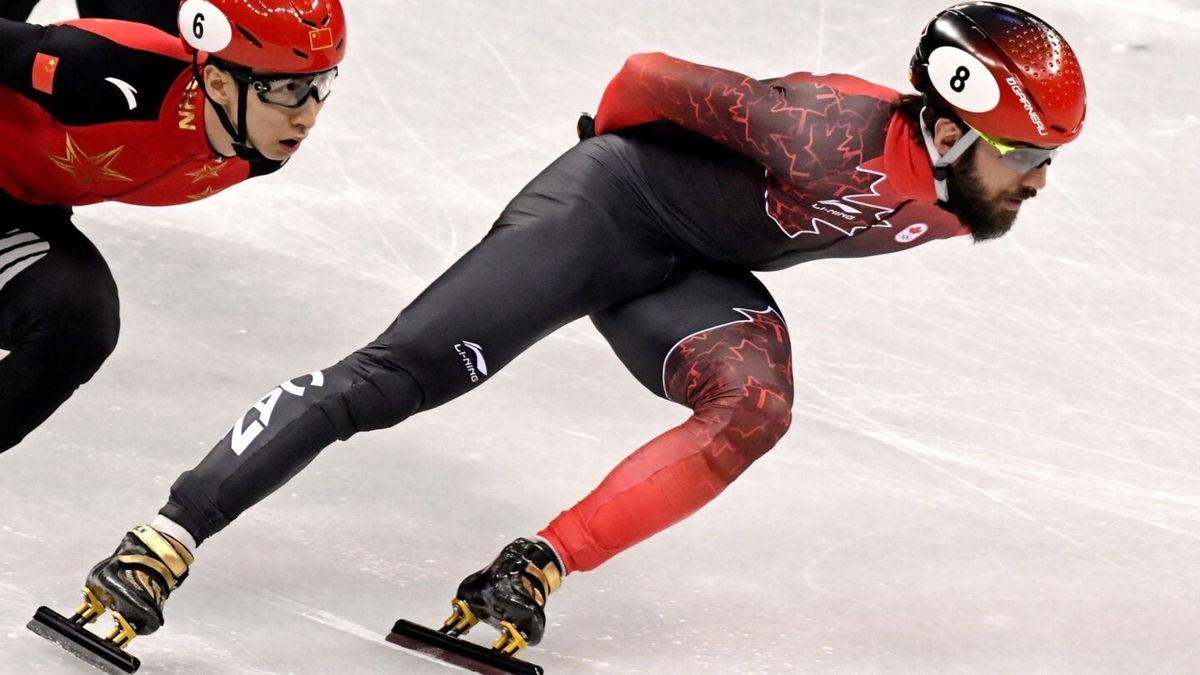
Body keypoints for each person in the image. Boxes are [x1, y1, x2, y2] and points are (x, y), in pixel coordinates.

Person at [54, 1, 1086, 666]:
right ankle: (162, 543)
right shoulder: (818, 128)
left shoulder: (970, 193)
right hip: (607, 212)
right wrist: (598, 181)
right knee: (390, 380)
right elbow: (645, 76)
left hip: (695, 270)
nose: (1040, 180)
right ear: (950, 129)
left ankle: (529, 570)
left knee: (755, 409)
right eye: (1027, 153)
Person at [0, 0, 347, 453]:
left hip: (21, 208)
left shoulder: (261, 148)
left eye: (320, 85)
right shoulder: (104, 69)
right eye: (285, 89)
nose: (307, 115)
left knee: (75, 329)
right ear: (220, 84)